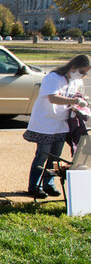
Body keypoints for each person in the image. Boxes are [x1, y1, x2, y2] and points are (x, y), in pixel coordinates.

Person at [23, 54, 90, 198]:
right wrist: (75, 101)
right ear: (74, 66)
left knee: (55, 157)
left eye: (85, 73)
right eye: (82, 71)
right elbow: (53, 98)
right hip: (45, 123)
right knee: (42, 155)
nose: (83, 75)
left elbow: (74, 98)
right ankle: (34, 186)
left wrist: (79, 105)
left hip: (61, 123)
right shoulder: (54, 78)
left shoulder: (75, 82)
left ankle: (49, 184)